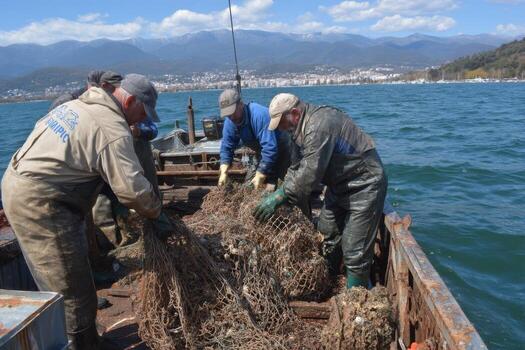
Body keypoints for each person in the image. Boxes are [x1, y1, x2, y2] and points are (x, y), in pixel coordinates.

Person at [1, 74, 173, 349]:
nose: (142, 120)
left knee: (62, 278)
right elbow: (133, 191)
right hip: (42, 202)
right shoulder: (111, 127)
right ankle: (83, 345)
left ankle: (85, 338)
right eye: (143, 112)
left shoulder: (81, 105)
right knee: (73, 291)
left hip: (20, 185)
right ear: (129, 100)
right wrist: (156, 213)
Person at [253, 93, 388, 289]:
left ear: (295, 113)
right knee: (327, 231)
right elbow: (296, 167)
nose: (281, 128)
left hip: (365, 185)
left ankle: (357, 301)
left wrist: (280, 196)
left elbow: (310, 174)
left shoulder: (319, 125)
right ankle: (329, 281)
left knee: (354, 249)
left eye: (282, 122)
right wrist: (282, 190)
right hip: (338, 186)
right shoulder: (298, 130)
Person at [218, 88, 291, 189]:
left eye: (232, 112)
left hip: (282, 148)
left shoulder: (259, 115)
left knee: (279, 183)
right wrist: (224, 169)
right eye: (227, 114)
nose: (231, 117)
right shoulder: (230, 122)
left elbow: (270, 148)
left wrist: (261, 173)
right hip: (262, 151)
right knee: (249, 185)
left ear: (241, 104)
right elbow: (226, 146)